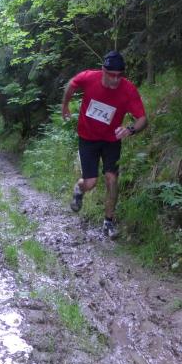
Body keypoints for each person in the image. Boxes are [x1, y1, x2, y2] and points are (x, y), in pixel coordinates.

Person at [61, 50, 148, 238]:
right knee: (90, 182)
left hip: (111, 140)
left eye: (119, 75)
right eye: (111, 75)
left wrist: (130, 129)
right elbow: (72, 84)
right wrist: (65, 105)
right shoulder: (89, 78)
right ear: (103, 70)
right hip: (88, 137)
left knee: (112, 179)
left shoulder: (128, 90)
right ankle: (79, 188)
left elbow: (142, 119)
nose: (115, 80)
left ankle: (108, 222)